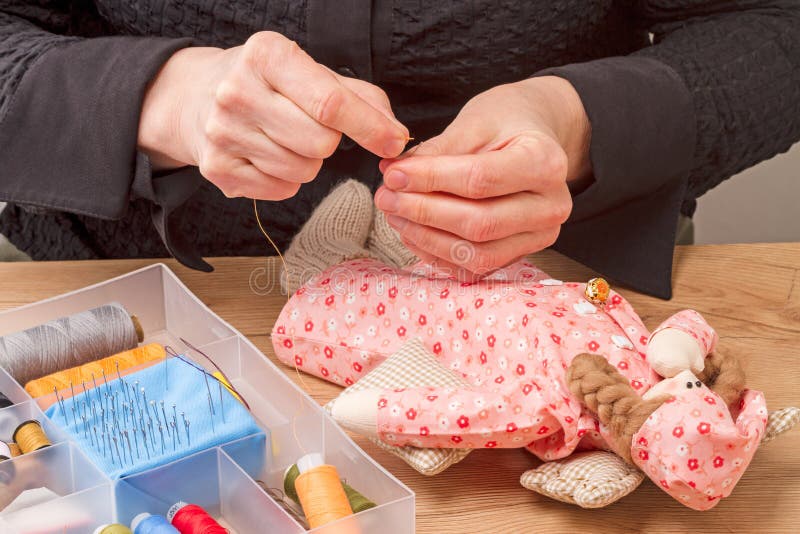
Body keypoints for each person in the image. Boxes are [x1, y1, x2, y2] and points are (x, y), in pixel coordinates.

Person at [0, 1, 798, 299]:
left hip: (561, 293)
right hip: (141, 303)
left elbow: (776, 27)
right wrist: (159, 95)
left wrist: (581, 121)